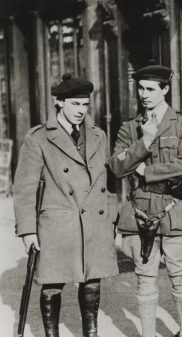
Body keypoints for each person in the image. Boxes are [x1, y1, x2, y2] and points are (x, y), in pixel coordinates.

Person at [13, 73, 119, 337]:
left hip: (94, 220)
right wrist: (28, 231)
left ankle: (90, 333)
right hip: (58, 224)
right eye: (75, 104)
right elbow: (24, 189)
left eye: (85, 105)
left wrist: (111, 216)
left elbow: (107, 179)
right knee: (52, 284)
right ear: (58, 102)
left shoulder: (98, 135)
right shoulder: (38, 138)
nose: (81, 111)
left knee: (92, 281)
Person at [109, 60, 182, 337]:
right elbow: (116, 166)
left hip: (176, 210)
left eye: (150, 89)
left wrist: (145, 170)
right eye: (140, 89)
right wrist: (144, 142)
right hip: (141, 210)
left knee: (180, 278)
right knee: (145, 278)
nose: (144, 94)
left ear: (166, 89)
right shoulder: (130, 127)